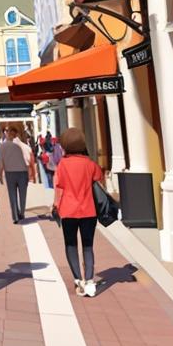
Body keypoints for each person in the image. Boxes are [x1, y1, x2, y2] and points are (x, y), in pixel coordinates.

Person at [53, 127, 102, 297]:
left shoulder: (63, 165)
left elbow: (58, 186)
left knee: (71, 244)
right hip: (89, 210)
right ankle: (89, 280)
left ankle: (77, 279)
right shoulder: (90, 164)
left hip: (68, 210)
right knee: (88, 245)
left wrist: (55, 206)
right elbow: (98, 178)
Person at [0, 128, 31, 224]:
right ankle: (22, 213)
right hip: (22, 171)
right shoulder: (22, 145)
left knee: (12, 195)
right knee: (23, 194)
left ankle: (15, 216)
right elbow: (28, 158)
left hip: (10, 172)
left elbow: (1, 162)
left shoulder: (2, 146)